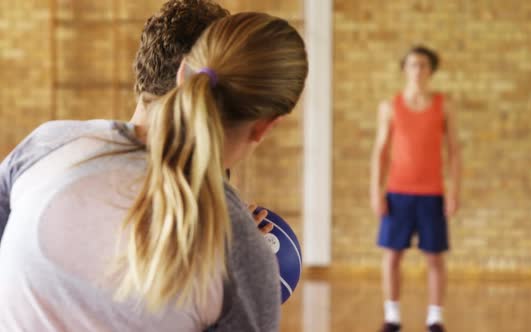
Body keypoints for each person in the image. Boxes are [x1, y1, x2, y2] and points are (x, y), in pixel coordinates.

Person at [0, 11, 308, 332]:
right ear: (265, 127)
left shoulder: (47, 146)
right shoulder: (239, 253)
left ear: (183, 76)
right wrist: (238, 248)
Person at [370, 45, 461, 332]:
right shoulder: (389, 107)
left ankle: (435, 317)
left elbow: (455, 152)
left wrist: (454, 191)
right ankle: (392, 316)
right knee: (392, 255)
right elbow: (380, 152)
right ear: (405, 69)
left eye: (423, 65)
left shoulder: (444, 106)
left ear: (431, 70)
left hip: (433, 194)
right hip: (397, 193)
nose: (418, 70)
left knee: (434, 256)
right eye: (412, 65)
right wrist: (376, 190)